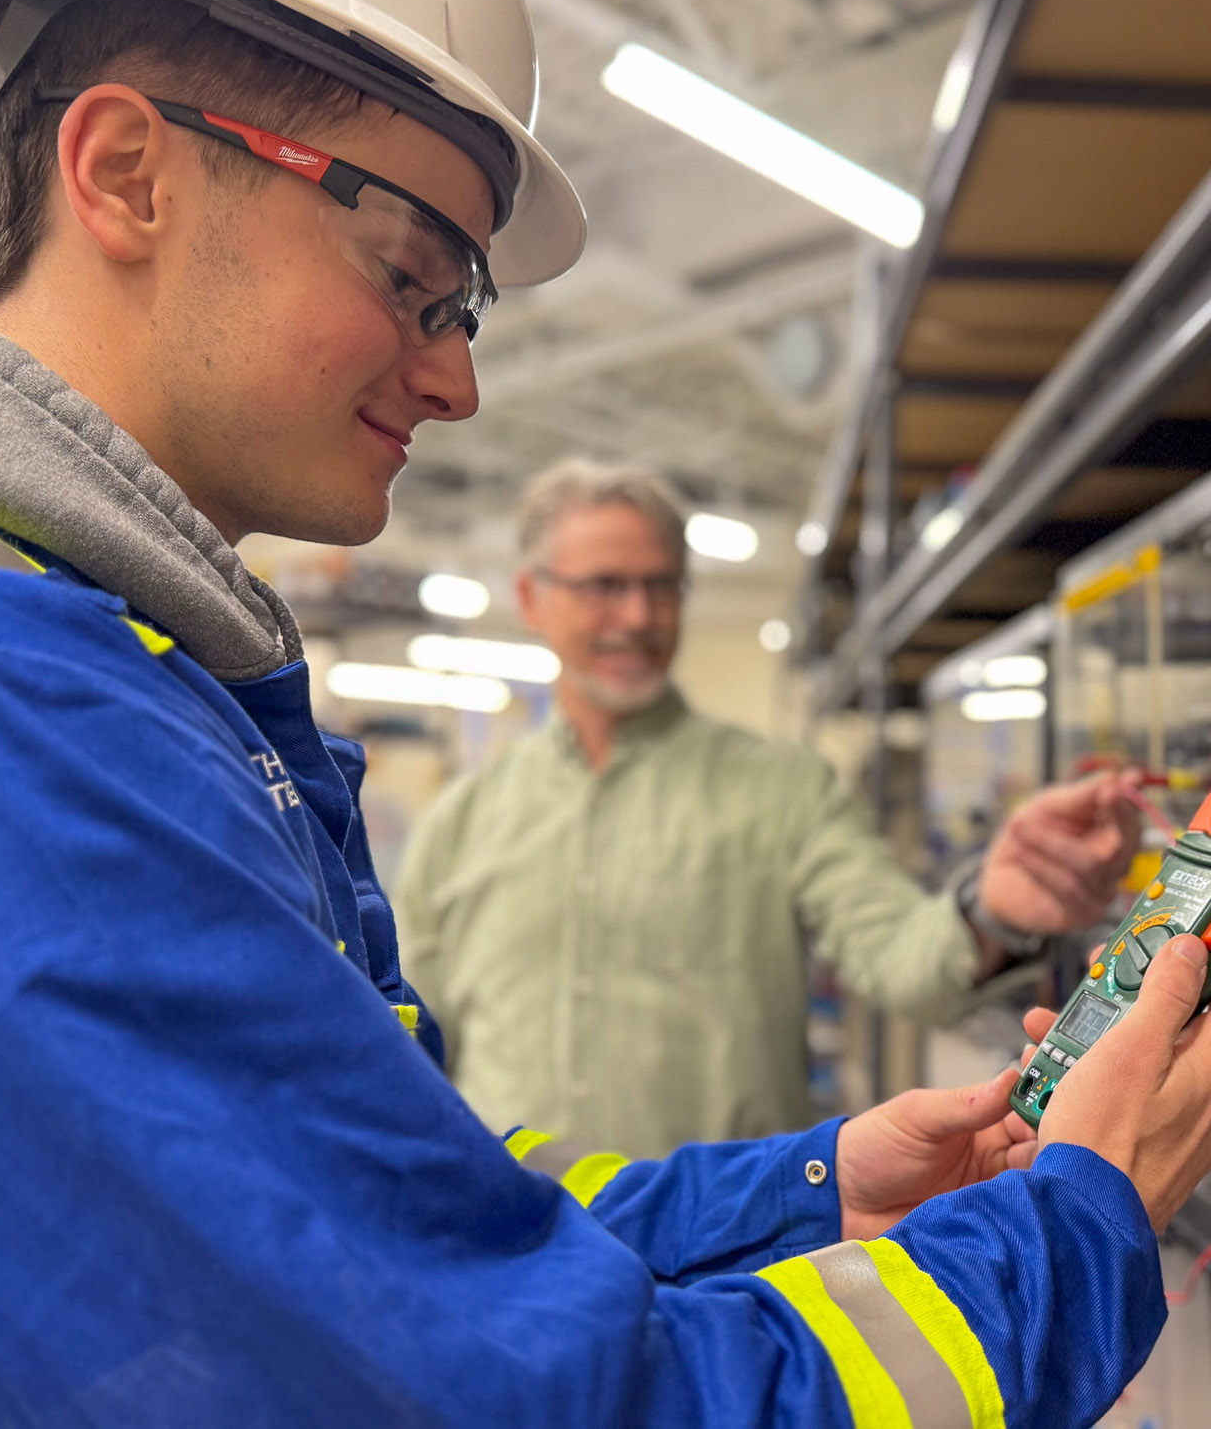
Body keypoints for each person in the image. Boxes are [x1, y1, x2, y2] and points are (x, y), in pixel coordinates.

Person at [0, 0, 1211, 1422]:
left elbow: (391, 1215)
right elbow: (527, 1391)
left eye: (466, 310)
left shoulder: (98, 689)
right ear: (127, 172)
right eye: (414, 279)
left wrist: (812, 1185)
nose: (458, 381)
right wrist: (1076, 1219)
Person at [397, 458, 1146, 1155]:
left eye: (663, 587)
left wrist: (991, 909)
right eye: (604, 586)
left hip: (724, 1248)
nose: (639, 616)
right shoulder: (460, 824)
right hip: (514, 1248)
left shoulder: (784, 788)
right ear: (532, 598)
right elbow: (409, 1050)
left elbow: (898, 960)